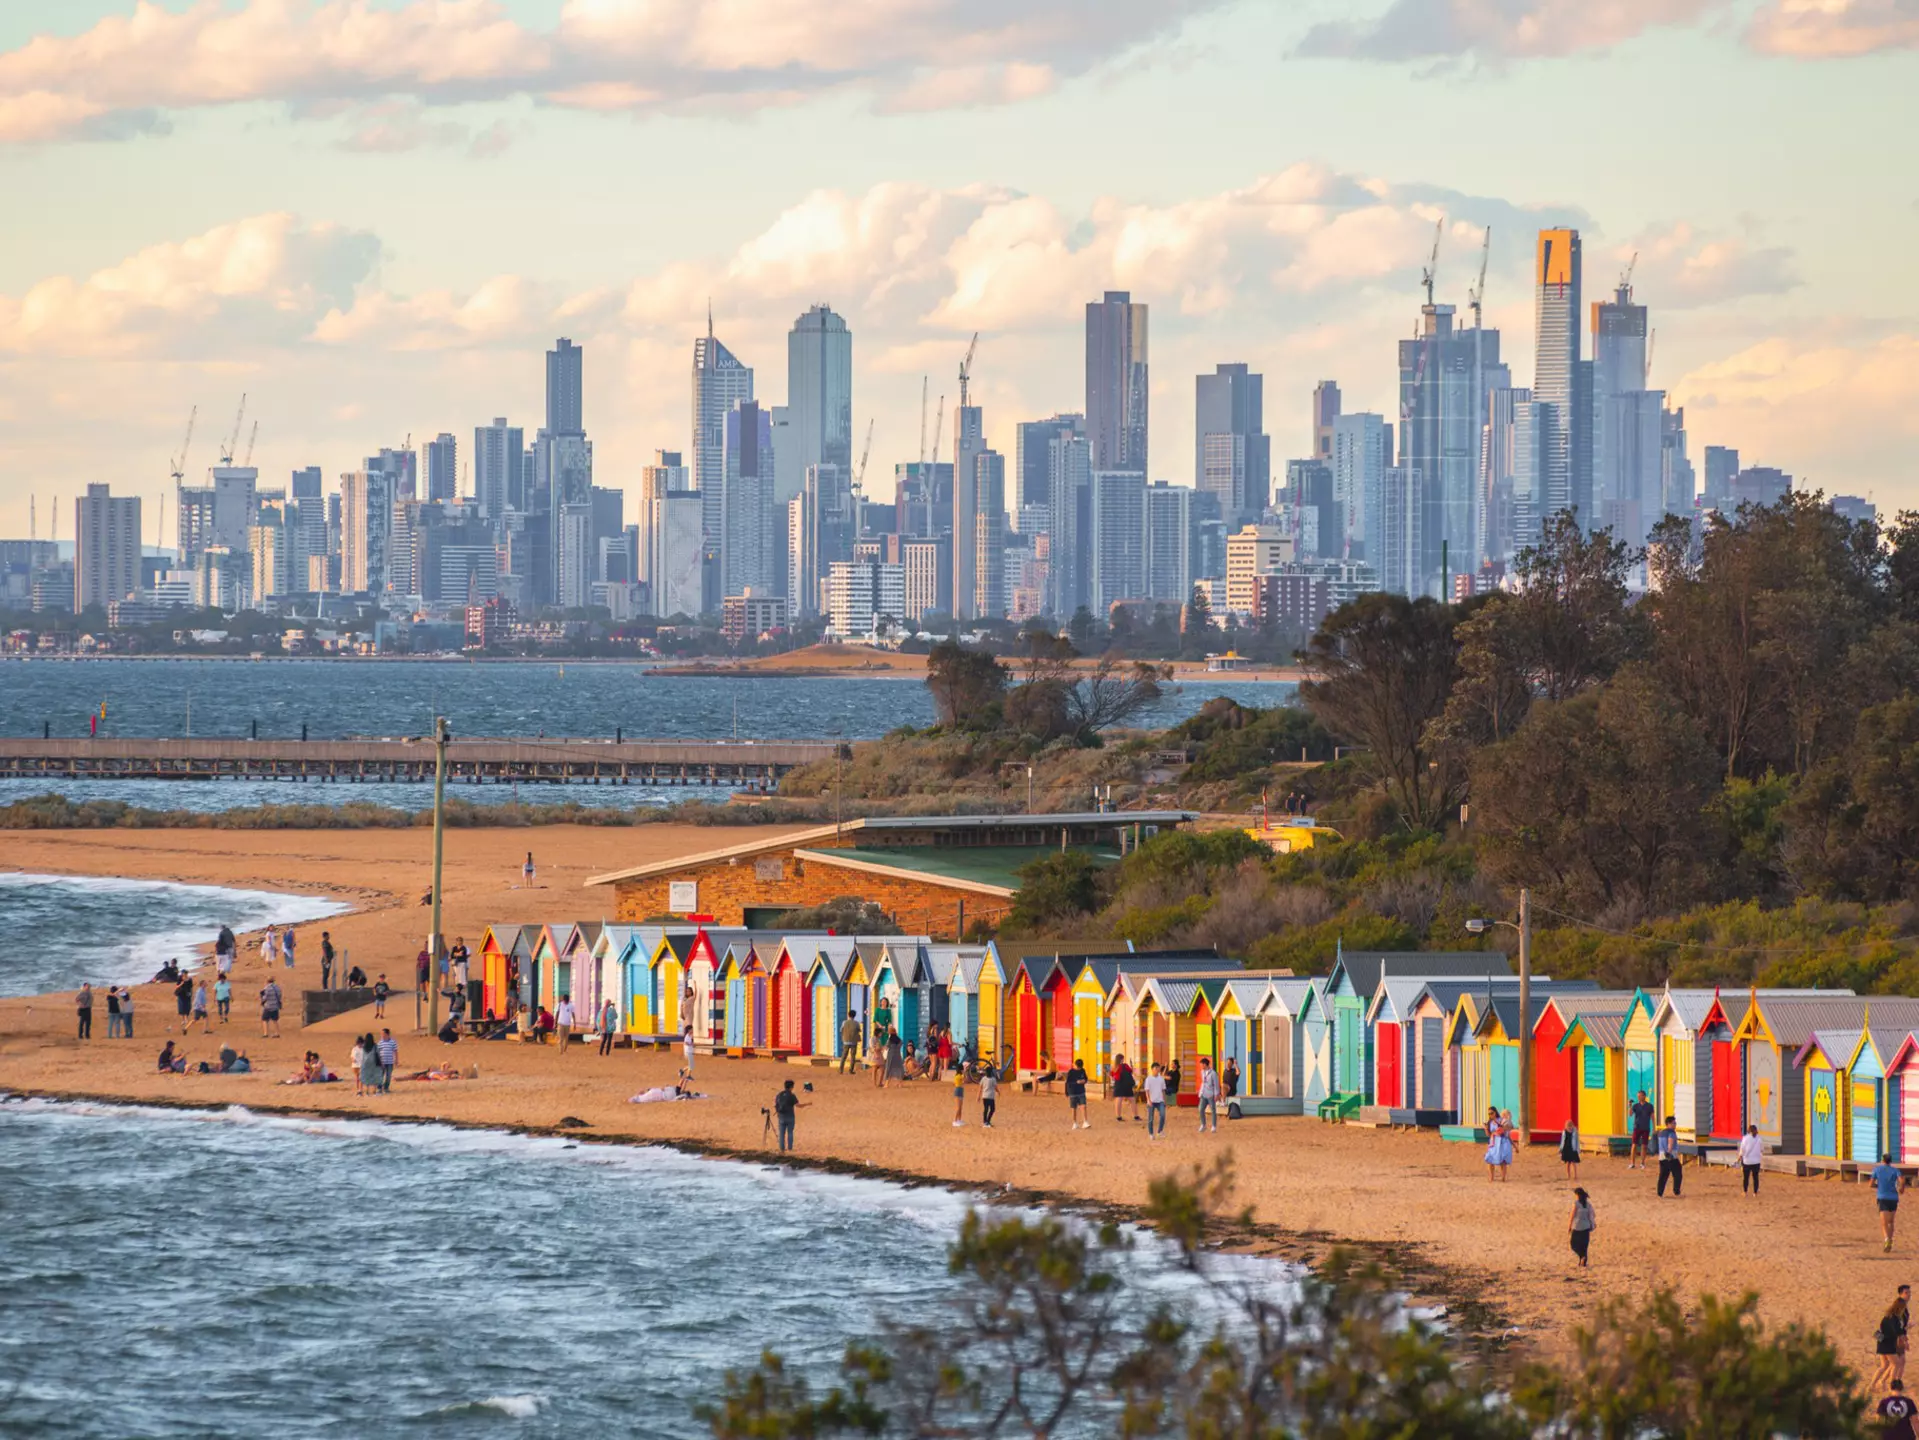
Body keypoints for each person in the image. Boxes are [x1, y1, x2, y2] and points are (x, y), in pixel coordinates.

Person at [1878, 1290, 1913, 1391]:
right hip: (1892, 1342)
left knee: (1896, 1363)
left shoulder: (1897, 1316)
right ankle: (1891, 1383)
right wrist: (1905, 1341)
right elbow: (1897, 1331)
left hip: (1891, 1341)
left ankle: (1891, 1382)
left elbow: (1900, 1330)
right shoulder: (1893, 1317)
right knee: (1896, 1363)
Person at [1876, 1153, 1905, 1253]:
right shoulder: (1895, 1170)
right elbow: (1902, 1180)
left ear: (1883, 1160)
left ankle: (1887, 1240)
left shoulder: (1878, 1169)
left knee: (1884, 1223)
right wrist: (1901, 1189)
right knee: (1891, 1222)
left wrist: (1878, 1186)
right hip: (1894, 1198)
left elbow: (1871, 1183)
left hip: (1883, 1197)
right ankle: (1891, 1240)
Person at [1655, 1115, 1683, 1198]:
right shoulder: (1672, 1133)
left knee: (1663, 1175)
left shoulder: (1661, 1133)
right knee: (1677, 1173)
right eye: (1674, 1123)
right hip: (1671, 1156)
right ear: (1669, 1124)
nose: (1675, 1125)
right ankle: (1676, 1190)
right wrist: (1669, 1152)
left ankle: (1660, 1192)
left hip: (1661, 1156)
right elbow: (1670, 1142)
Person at [1568, 1187, 1596, 1269]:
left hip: (1577, 1226)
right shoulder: (1588, 1204)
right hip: (1586, 1227)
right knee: (1584, 1245)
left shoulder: (1576, 1203)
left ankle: (1581, 1257)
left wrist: (1569, 1226)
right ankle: (1583, 1261)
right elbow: (1592, 1215)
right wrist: (1592, 1224)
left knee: (1573, 1244)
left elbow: (1572, 1216)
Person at [774, 1078, 803, 1151]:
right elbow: (798, 1105)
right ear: (791, 1087)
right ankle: (790, 1148)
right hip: (790, 1117)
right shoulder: (792, 1095)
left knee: (781, 1134)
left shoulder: (779, 1095)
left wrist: (778, 1113)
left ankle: (782, 1148)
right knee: (790, 1133)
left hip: (781, 1116)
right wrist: (807, 1104)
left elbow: (776, 1105)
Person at [1629, 1090, 1655, 1170]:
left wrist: (1654, 1127)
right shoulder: (1635, 1106)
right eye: (1638, 1096)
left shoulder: (1649, 1106)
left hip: (1645, 1128)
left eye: (1640, 1096)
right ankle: (1632, 1163)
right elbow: (1630, 1114)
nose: (1639, 1097)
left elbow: (1652, 1117)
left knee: (1644, 1146)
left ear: (1644, 1096)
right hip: (1637, 1127)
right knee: (1634, 1145)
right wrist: (1630, 1106)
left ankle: (1642, 1163)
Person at [1196, 1056, 1221, 1133]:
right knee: (1200, 1109)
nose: (1200, 1066)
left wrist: (1216, 1094)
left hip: (1211, 1094)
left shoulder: (1213, 1073)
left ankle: (1213, 1126)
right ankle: (1203, 1125)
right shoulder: (1202, 1072)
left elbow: (1216, 1084)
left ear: (1205, 1064)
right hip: (1204, 1093)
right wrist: (1200, 1091)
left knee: (1213, 1110)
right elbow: (1203, 1082)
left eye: (1201, 1064)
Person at [1738, 1123, 1765, 1195]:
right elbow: (1762, 1149)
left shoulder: (1745, 1138)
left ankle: (1745, 1191)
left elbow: (1742, 1149)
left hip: (1747, 1161)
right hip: (1756, 1161)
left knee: (1746, 1177)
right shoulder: (1759, 1138)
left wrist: (1740, 1156)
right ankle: (1755, 1192)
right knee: (1755, 1177)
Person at [1145, 1062, 1168, 1140]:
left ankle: (1159, 1131)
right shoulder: (1148, 1079)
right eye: (1155, 1068)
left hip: (1160, 1100)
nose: (1157, 1070)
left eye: (1158, 1068)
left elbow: (1163, 1090)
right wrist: (1149, 1100)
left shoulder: (1161, 1079)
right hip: (1151, 1101)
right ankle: (1151, 1134)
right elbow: (1147, 1091)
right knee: (1150, 1118)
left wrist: (1164, 1100)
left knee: (1163, 1115)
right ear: (1152, 1069)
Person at [1066, 1057, 1090, 1130]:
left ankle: (1085, 1121)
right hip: (1073, 1092)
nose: (1079, 1069)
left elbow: (1086, 1078)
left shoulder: (1083, 1070)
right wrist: (1067, 1092)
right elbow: (1068, 1082)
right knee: (1074, 1108)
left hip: (1081, 1091)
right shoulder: (1071, 1072)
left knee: (1083, 1106)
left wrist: (1084, 1081)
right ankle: (1074, 1123)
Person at [1112, 1054, 1138, 1122]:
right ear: (1121, 1059)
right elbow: (1130, 1071)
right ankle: (1135, 1116)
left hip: (1118, 1084)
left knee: (1118, 1101)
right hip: (1126, 1085)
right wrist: (1132, 1068)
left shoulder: (1114, 1067)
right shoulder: (1125, 1065)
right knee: (1132, 1100)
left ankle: (1118, 1116)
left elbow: (1112, 1075)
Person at [1484, 1109, 1508, 1182]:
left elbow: (1504, 1130)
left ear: (1495, 1112)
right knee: (1490, 1159)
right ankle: (1491, 1177)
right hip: (1492, 1142)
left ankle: (1503, 1177)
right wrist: (1485, 1128)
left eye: (1492, 1113)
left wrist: (1498, 1125)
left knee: (1502, 1160)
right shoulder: (1489, 1122)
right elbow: (1488, 1134)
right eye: (1489, 1114)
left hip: (1501, 1142)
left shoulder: (1501, 1120)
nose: (1490, 1115)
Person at [377, 1029, 398, 1093]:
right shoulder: (380, 1042)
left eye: (383, 1033)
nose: (382, 1035)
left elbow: (395, 1052)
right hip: (382, 1062)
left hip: (390, 1062)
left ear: (387, 1034)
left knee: (388, 1076)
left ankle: (386, 1088)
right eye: (381, 1034)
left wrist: (396, 1060)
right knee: (380, 1075)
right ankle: (379, 1088)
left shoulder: (393, 1042)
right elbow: (378, 1053)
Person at [979, 1063, 998, 1129]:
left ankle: (985, 1121)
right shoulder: (993, 1079)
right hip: (991, 1097)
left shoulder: (983, 1079)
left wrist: (978, 1096)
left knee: (986, 1109)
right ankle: (987, 1121)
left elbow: (980, 1088)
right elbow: (995, 1087)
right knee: (992, 1109)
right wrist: (998, 1092)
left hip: (984, 1097)